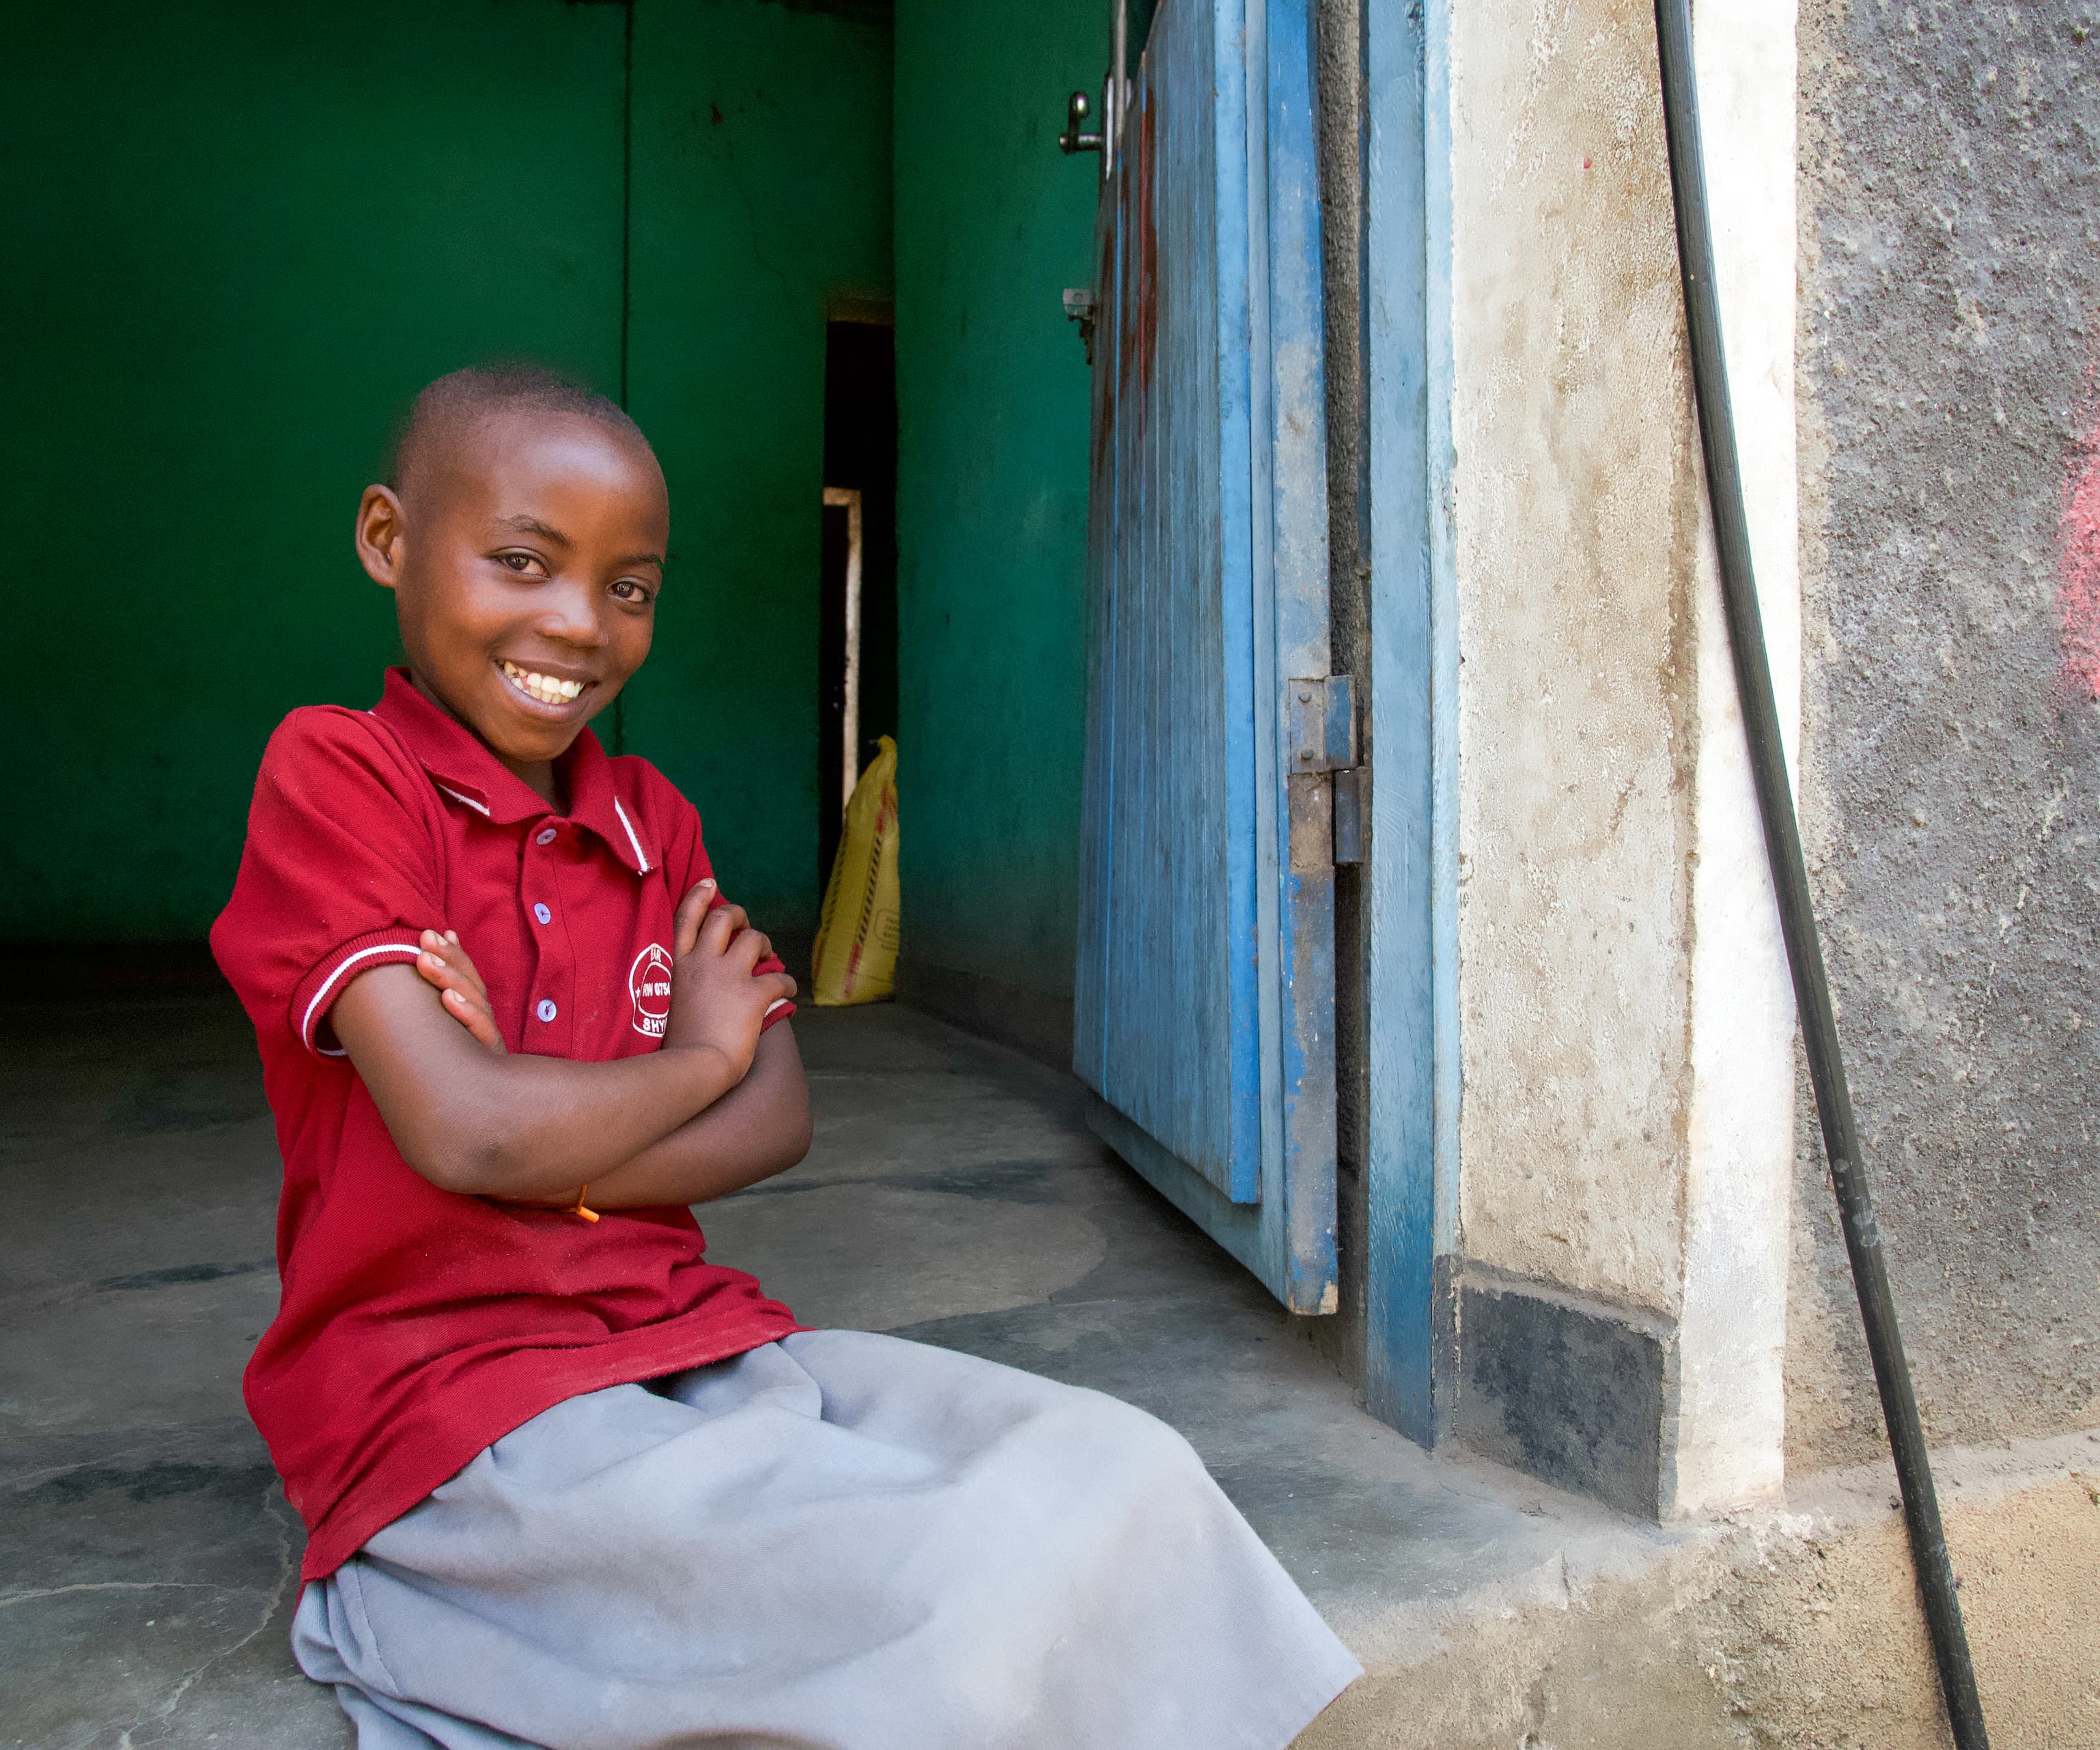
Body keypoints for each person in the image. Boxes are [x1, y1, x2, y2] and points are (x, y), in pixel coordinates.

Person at [208, 364, 1360, 1750]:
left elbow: (777, 1121)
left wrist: (560, 1103)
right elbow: (474, 1137)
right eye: (523, 562)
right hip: (454, 1404)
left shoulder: (651, 823)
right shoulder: (343, 778)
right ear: (390, 538)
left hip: (693, 1346)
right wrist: (693, 1059)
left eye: (629, 587)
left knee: (1126, 1471)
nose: (577, 625)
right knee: (936, 1592)